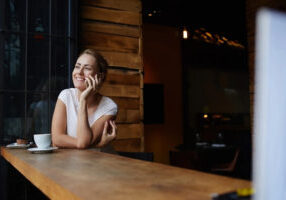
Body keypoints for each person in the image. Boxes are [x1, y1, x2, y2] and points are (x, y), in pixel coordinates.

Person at [51, 49, 117, 152]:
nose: (79, 72)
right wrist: (98, 145)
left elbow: (83, 143)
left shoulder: (109, 106)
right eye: (77, 66)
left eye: (87, 68)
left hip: (100, 163)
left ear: (100, 76)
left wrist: (83, 100)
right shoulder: (66, 95)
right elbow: (57, 140)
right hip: (72, 163)